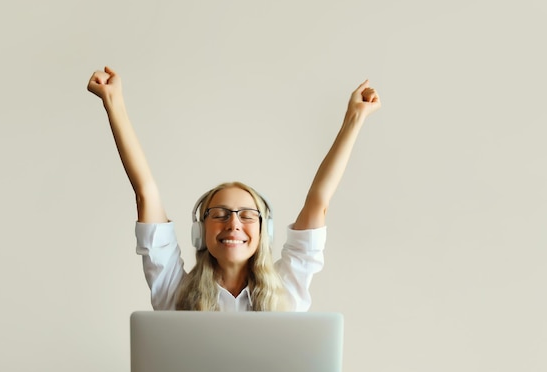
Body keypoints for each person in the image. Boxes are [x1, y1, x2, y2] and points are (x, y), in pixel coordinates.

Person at [87, 66, 381, 311]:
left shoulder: (288, 288)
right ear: (200, 231)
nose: (233, 223)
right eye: (220, 214)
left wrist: (355, 118)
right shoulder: (175, 292)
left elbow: (319, 199)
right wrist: (113, 103)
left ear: (265, 231)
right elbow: (145, 191)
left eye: (247, 215)